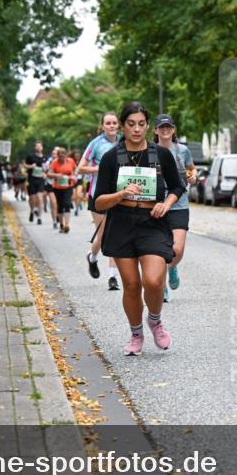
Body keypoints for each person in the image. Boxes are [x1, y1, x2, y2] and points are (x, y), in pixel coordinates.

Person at [93, 102, 185, 356]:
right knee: (132, 285)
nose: (136, 129)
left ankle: (154, 320)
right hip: (121, 223)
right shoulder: (111, 158)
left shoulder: (161, 154)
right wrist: (121, 193)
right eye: (131, 124)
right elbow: (98, 201)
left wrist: (166, 204)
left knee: (153, 281)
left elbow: (177, 187)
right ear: (123, 126)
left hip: (152, 223)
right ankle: (136, 334)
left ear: (148, 125)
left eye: (141, 124)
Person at [153, 114, 197, 303]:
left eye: (168, 127)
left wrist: (193, 176)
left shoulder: (183, 150)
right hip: (156, 206)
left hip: (179, 204)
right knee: (160, 250)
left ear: (173, 129)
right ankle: (161, 288)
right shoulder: (149, 151)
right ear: (155, 130)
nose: (165, 130)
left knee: (177, 250)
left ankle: (172, 268)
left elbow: (191, 169)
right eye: (161, 127)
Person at [79, 112, 122, 290]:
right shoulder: (95, 143)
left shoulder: (124, 142)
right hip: (98, 195)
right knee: (104, 236)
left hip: (119, 195)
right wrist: (101, 169)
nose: (111, 126)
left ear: (118, 125)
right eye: (108, 123)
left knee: (114, 236)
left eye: (114, 123)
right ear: (103, 126)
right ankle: (93, 257)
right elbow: (80, 168)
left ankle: (112, 277)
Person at [48, 147, 78, 233]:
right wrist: (57, 175)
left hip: (68, 186)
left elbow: (76, 169)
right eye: (60, 157)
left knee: (67, 204)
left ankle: (67, 225)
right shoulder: (54, 163)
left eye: (63, 156)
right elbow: (49, 174)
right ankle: (61, 224)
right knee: (60, 206)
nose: (61, 158)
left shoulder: (70, 161)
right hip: (58, 187)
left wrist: (74, 176)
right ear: (57, 156)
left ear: (66, 155)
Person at [25, 141, 47, 224]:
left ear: (42, 148)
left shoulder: (45, 158)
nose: (38, 148)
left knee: (40, 198)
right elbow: (25, 165)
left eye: (40, 146)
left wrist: (45, 173)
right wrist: (31, 166)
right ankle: (32, 211)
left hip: (40, 180)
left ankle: (39, 218)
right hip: (32, 180)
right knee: (32, 198)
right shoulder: (30, 157)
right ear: (35, 148)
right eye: (37, 146)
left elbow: (47, 168)